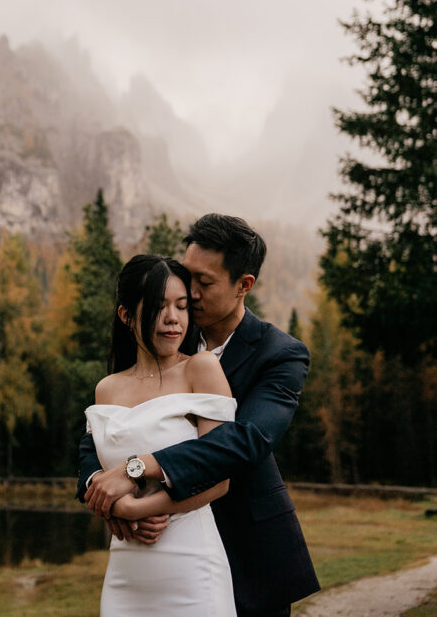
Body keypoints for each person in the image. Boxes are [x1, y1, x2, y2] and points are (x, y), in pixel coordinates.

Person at [78, 213, 320, 617]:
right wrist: (107, 497)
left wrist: (137, 470)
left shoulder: (279, 354)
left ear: (244, 285)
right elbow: (99, 436)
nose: (187, 293)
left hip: (248, 545)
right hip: (150, 546)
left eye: (203, 283)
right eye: (186, 276)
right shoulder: (167, 331)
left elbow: (245, 441)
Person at [86, 253, 238, 616]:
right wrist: (119, 510)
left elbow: (219, 477)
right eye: (159, 307)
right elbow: (98, 474)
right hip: (126, 574)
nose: (173, 318)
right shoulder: (106, 389)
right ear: (126, 315)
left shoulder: (201, 369)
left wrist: (136, 508)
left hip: (191, 568)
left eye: (182, 306)